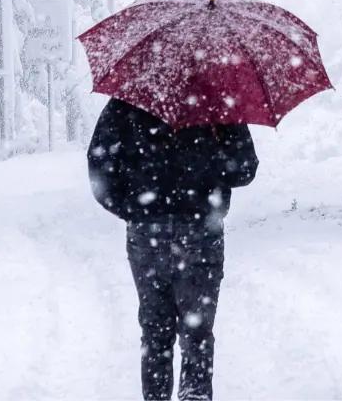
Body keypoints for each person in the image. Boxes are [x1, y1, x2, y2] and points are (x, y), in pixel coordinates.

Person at [88, 97, 259, 401]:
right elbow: (244, 169)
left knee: (156, 332)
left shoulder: (127, 101)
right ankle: (194, 395)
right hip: (201, 232)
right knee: (197, 334)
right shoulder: (217, 101)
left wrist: (131, 209)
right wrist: (214, 156)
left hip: (147, 233)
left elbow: (100, 166)